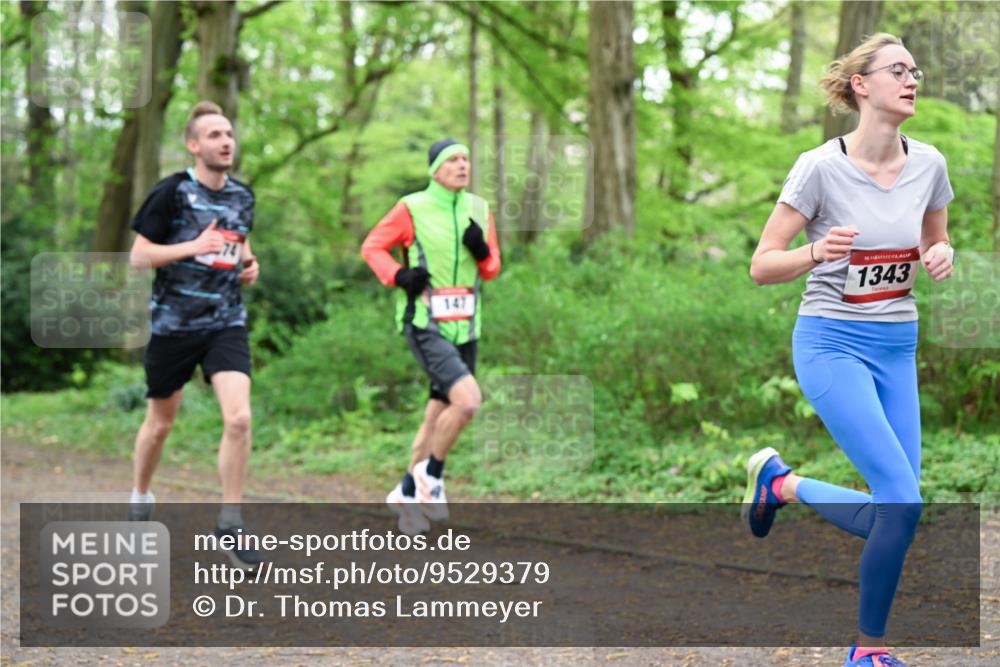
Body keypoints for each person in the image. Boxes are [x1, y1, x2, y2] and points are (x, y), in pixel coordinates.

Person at [743, 34, 954, 667]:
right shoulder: (819, 167)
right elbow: (761, 265)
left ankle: (782, 485)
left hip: (896, 345)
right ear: (861, 85)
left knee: (900, 510)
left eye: (915, 70)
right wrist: (816, 252)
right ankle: (868, 653)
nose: (911, 79)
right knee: (904, 501)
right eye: (897, 70)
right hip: (831, 342)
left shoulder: (930, 164)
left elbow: (932, 243)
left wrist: (941, 255)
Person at [127, 101, 263, 570]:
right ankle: (141, 496)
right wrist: (193, 246)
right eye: (214, 135)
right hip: (173, 326)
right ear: (193, 145)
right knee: (160, 425)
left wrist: (248, 265)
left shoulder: (243, 196)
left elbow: (239, 242)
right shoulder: (171, 193)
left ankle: (230, 522)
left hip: (225, 323)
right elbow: (138, 256)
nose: (226, 141)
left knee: (239, 419)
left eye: (229, 134)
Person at [361, 138, 501, 535]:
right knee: (468, 401)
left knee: (437, 414)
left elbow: (491, 269)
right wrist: (399, 275)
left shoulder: (479, 208)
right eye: (453, 160)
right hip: (426, 323)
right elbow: (372, 247)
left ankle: (407, 491)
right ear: (435, 170)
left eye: (466, 159)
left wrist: (482, 251)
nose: (462, 165)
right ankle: (431, 477)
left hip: (467, 325)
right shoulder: (413, 207)